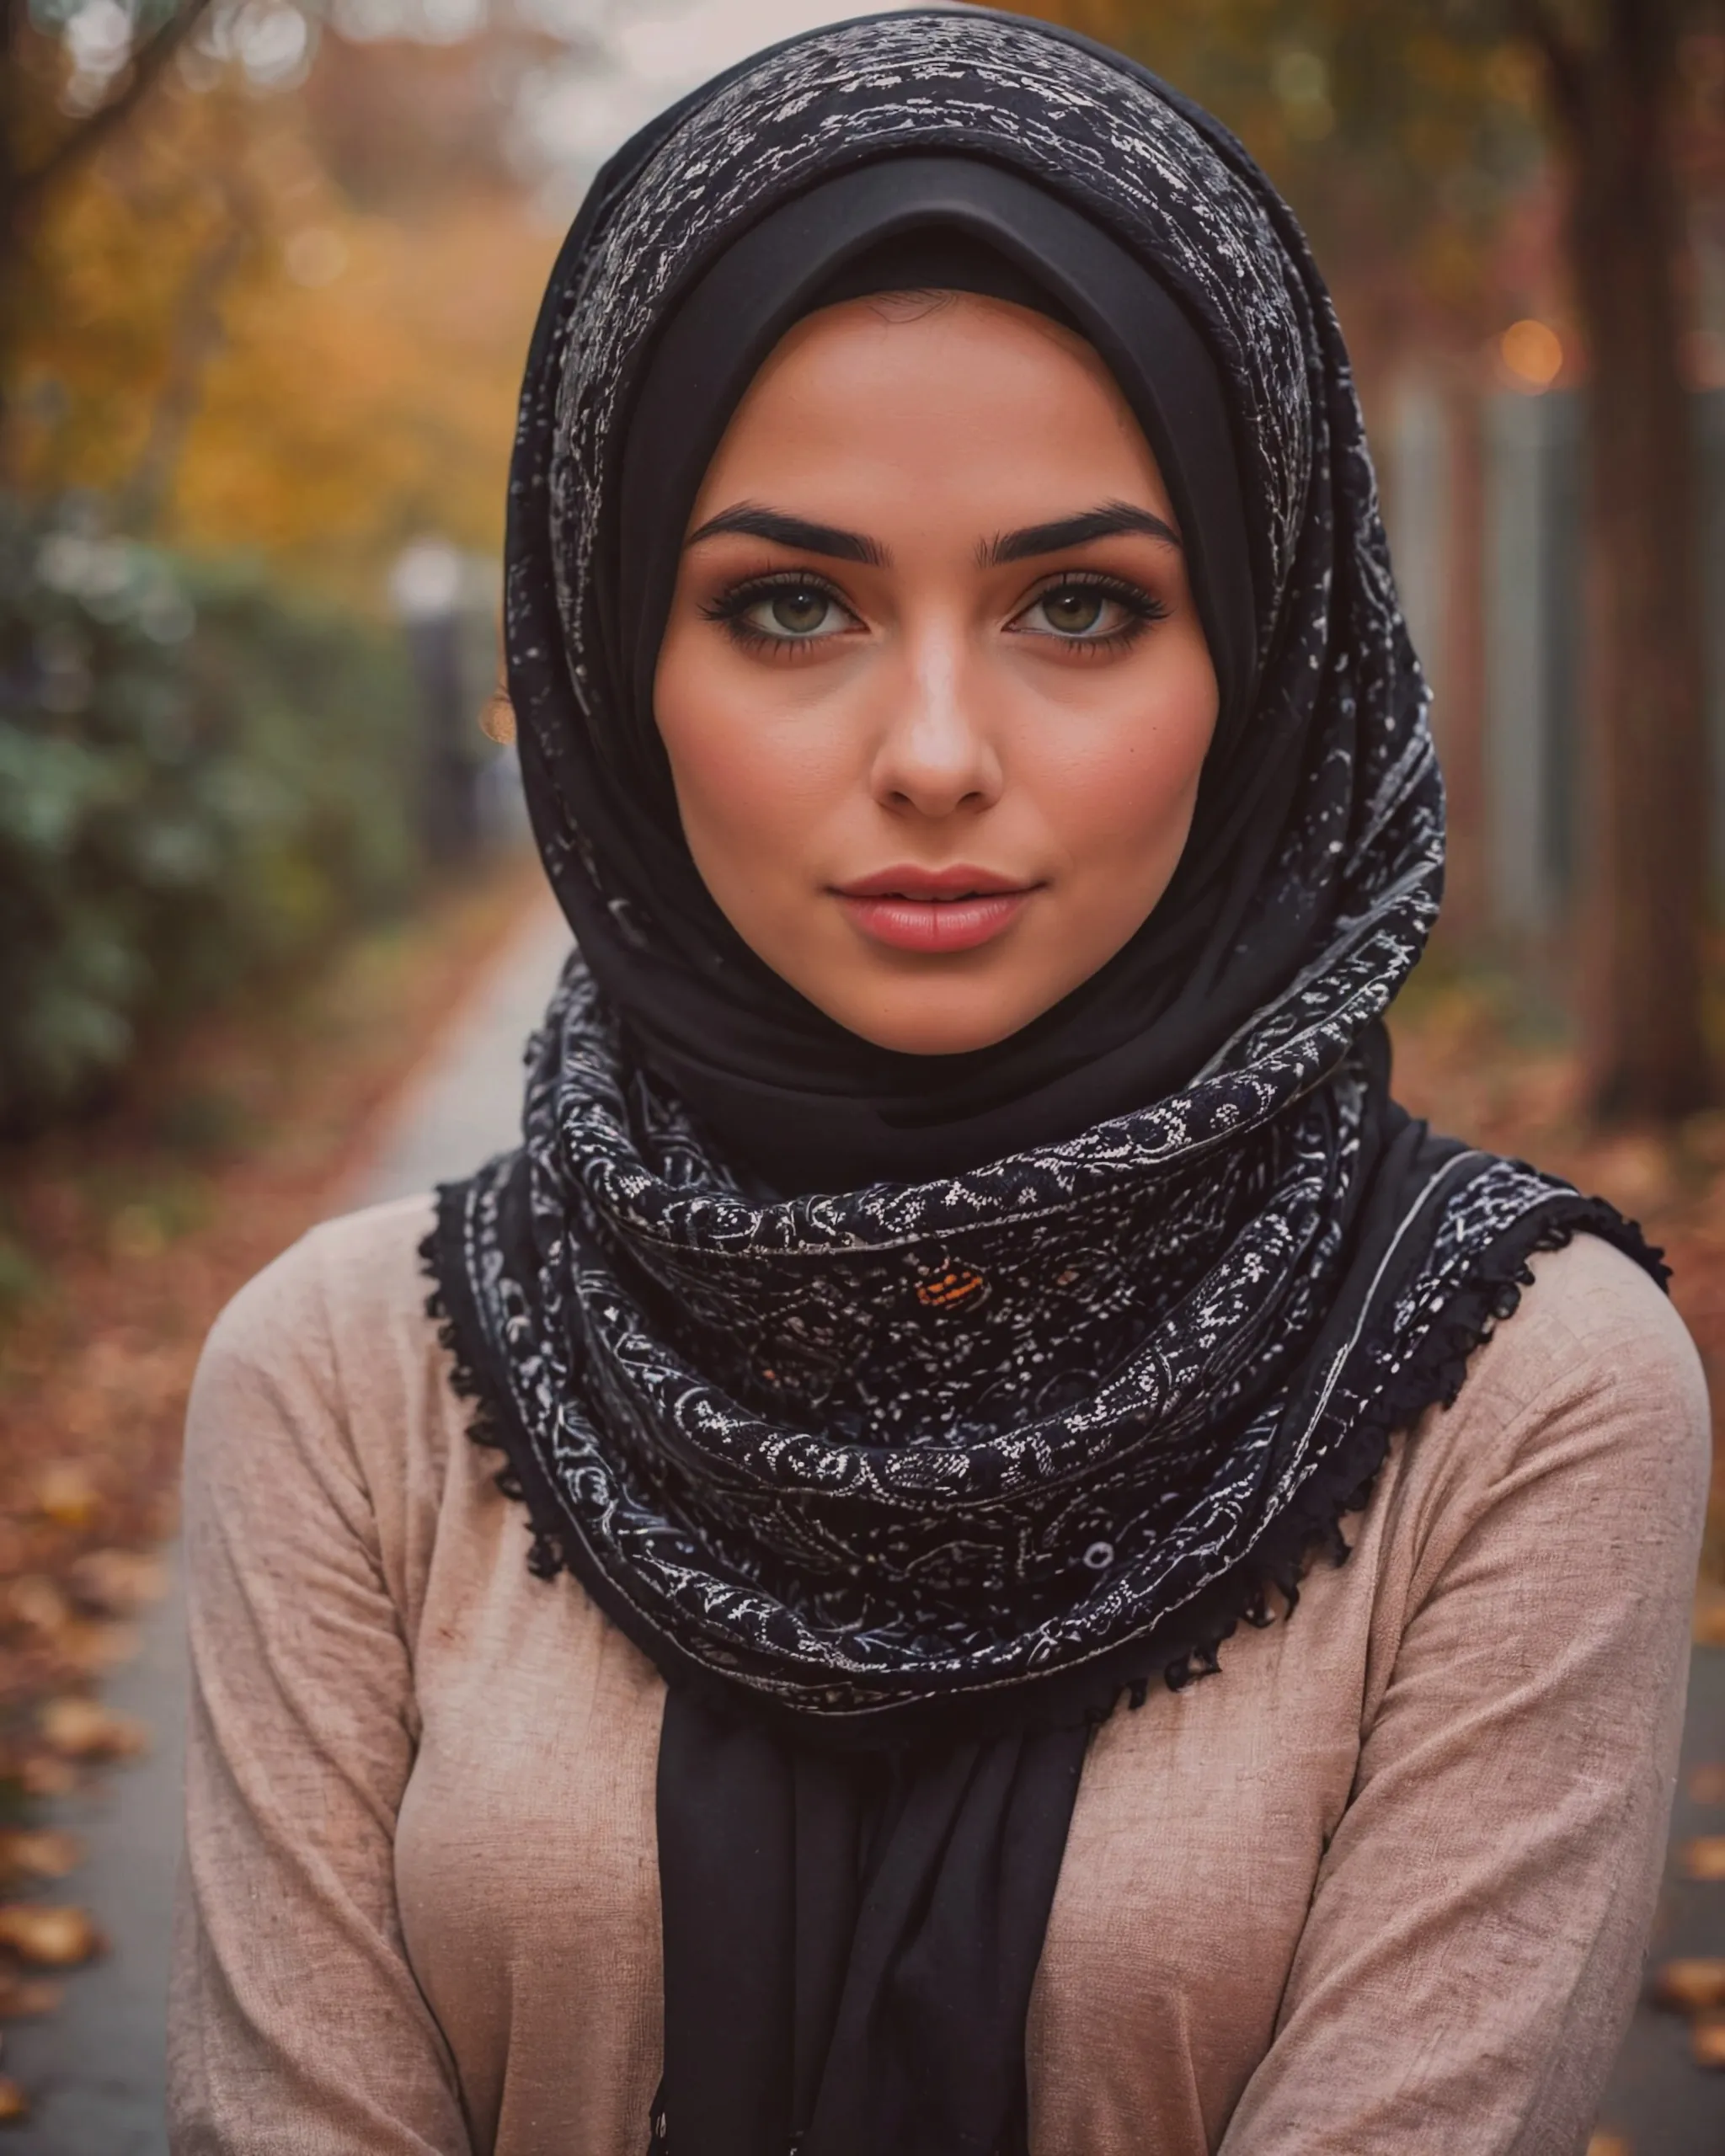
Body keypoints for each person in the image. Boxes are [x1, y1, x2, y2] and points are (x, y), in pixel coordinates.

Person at [168, 13, 1710, 2155]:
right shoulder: (340, 1392)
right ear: (614, 659)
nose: (930, 752)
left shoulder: (1523, 1398)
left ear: (1260, 663)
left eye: (1078, 603)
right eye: (788, 604)